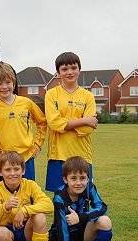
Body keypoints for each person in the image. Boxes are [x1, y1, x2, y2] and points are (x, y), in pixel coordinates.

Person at [44, 156, 117, 241]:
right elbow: (62, 231)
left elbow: (102, 207)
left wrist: (80, 217)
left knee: (105, 221)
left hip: (82, 234)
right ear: (65, 179)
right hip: (60, 236)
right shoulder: (59, 198)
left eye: (82, 178)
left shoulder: (89, 187)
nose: (78, 183)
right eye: (73, 178)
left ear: (88, 178)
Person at [45, 52, 98, 193]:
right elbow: (54, 124)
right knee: (59, 199)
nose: (70, 72)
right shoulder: (51, 94)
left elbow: (88, 128)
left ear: (79, 70)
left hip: (82, 155)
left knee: (83, 198)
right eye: (64, 69)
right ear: (58, 73)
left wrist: (65, 125)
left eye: (73, 68)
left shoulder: (88, 96)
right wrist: (84, 120)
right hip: (58, 155)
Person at [0, 62, 47, 182]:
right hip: (2, 160)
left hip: (26, 158)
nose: (4, 87)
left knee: (27, 195)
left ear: (14, 83)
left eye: (8, 82)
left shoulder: (26, 103)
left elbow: (42, 122)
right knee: (4, 197)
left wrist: (37, 145)